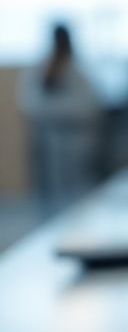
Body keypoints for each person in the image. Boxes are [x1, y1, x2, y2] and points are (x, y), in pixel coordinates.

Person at [18, 24, 102, 211]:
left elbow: (87, 108)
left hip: (76, 142)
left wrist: (53, 108)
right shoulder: (39, 70)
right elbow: (31, 104)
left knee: (78, 197)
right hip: (49, 143)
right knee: (49, 199)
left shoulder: (79, 71)